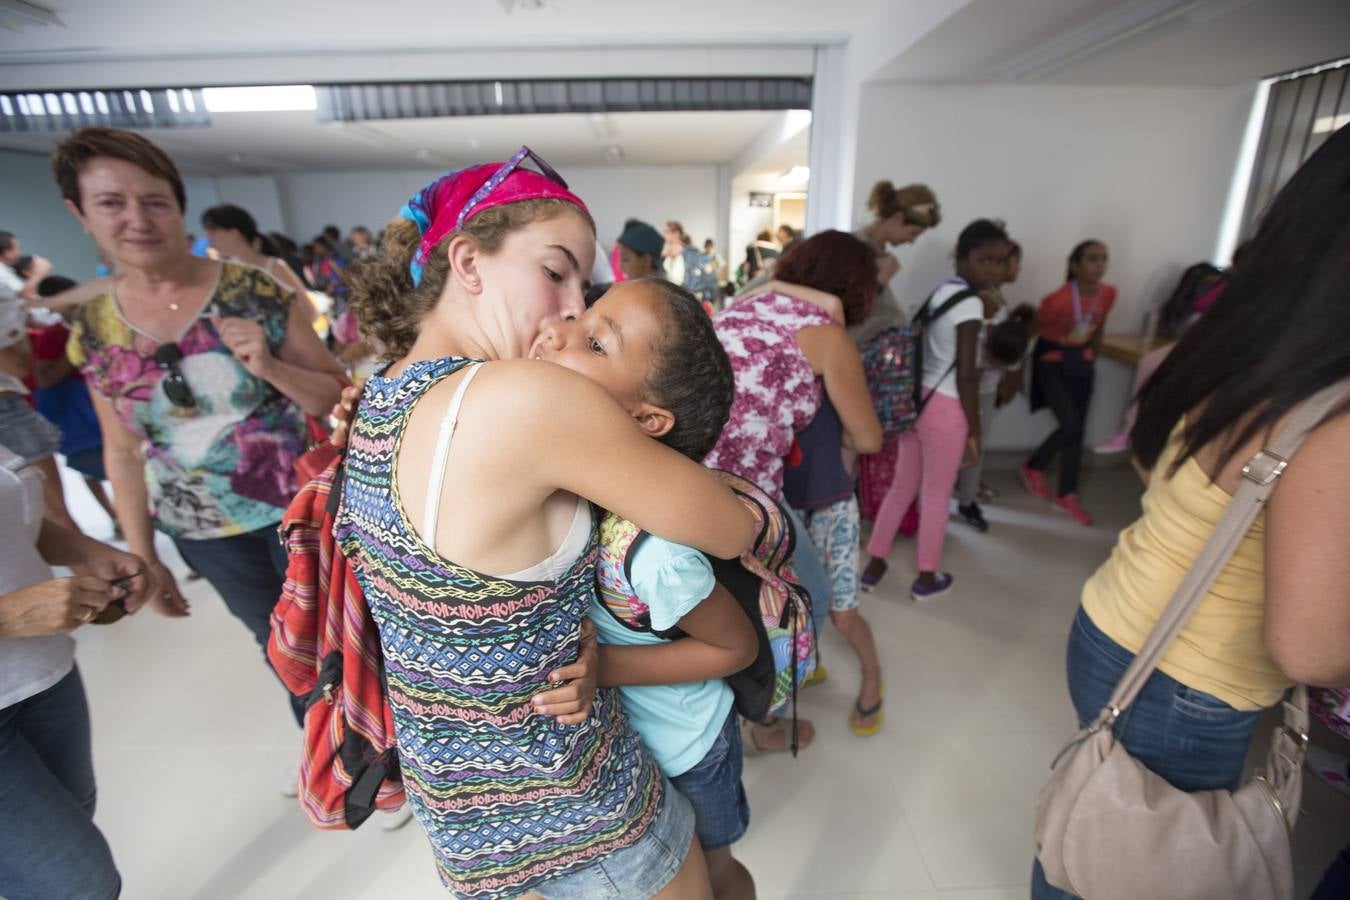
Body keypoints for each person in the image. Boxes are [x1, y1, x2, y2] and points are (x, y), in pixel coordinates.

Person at [335, 148, 757, 899]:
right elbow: (731, 529)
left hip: (469, 815)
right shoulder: (526, 397)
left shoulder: (380, 389)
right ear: (467, 262)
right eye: (554, 271)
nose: (568, 308)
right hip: (576, 801)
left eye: (583, 289)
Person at [1029, 123, 1350, 900]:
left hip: (1115, 619)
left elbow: (1149, 461)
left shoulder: (1233, 347)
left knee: (1100, 817)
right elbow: (1309, 651)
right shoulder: (1331, 412)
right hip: (1187, 676)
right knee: (1136, 850)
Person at [53, 127, 347, 738]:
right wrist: (142, 555)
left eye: (154, 201)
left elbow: (337, 393)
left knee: (339, 637)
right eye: (111, 203)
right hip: (203, 531)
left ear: (179, 206)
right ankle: (333, 755)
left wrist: (270, 366)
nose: (137, 219)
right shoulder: (97, 328)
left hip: (303, 508)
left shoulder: (252, 291)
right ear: (79, 214)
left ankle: (376, 752)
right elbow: (124, 453)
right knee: (279, 648)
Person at [530, 277, 759, 900]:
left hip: (690, 748)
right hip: (633, 744)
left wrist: (605, 670)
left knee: (715, 875)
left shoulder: (654, 554)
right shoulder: (581, 486)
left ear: (647, 418)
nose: (557, 331)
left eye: (595, 343)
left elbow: (733, 649)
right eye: (582, 317)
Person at [706, 230, 882, 744]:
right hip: (749, 494)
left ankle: (752, 713)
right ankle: (765, 719)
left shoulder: (736, 310)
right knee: (813, 601)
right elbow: (868, 438)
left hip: (683, 476)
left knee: (728, 605)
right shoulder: (827, 335)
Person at [0, 439, 157, 900]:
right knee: (77, 882)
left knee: (68, 828)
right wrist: (8, 615)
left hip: (40, 672)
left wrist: (84, 549)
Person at [768, 234, 887, 738]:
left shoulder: (831, 342)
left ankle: (873, 675)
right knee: (789, 604)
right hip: (781, 497)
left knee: (842, 611)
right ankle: (805, 663)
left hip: (830, 501)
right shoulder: (782, 335)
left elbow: (866, 438)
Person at [862, 220, 1010, 601]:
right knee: (936, 495)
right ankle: (927, 577)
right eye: (984, 261)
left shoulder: (945, 291)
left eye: (1000, 262)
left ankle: (875, 565)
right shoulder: (972, 304)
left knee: (901, 487)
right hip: (947, 408)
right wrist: (975, 432)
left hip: (918, 400)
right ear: (960, 258)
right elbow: (966, 376)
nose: (993, 269)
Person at [1020, 241, 1116, 526]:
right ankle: (1033, 465)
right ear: (1074, 265)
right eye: (1091, 259)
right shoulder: (1058, 300)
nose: (1099, 265)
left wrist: (1092, 356)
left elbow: (1099, 327)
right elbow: (1033, 332)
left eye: (1103, 259)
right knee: (1071, 425)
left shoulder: (1109, 294)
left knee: (1078, 430)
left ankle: (1067, 493)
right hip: (1051, 362)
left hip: (1081, 362)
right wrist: (1015, 368)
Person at [29, 276, 119, 536]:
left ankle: (123, 516)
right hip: (82, 416)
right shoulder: (55, 336)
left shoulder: (101, 324)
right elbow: (43, 378)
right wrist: (75, 346)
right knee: (94, 468)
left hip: (106, 408)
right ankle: (116, 516)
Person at [954, 238, 1027, 531]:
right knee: (945, 445)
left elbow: (1010, 347)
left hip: (984, 387)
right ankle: (930, 502)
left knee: (976, 445)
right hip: (955, 387)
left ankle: (968, 499)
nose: (998, 269)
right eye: (991, 262)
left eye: (1004, 263)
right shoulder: (961, 297)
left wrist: (1008, 369)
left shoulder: (1001, 303)